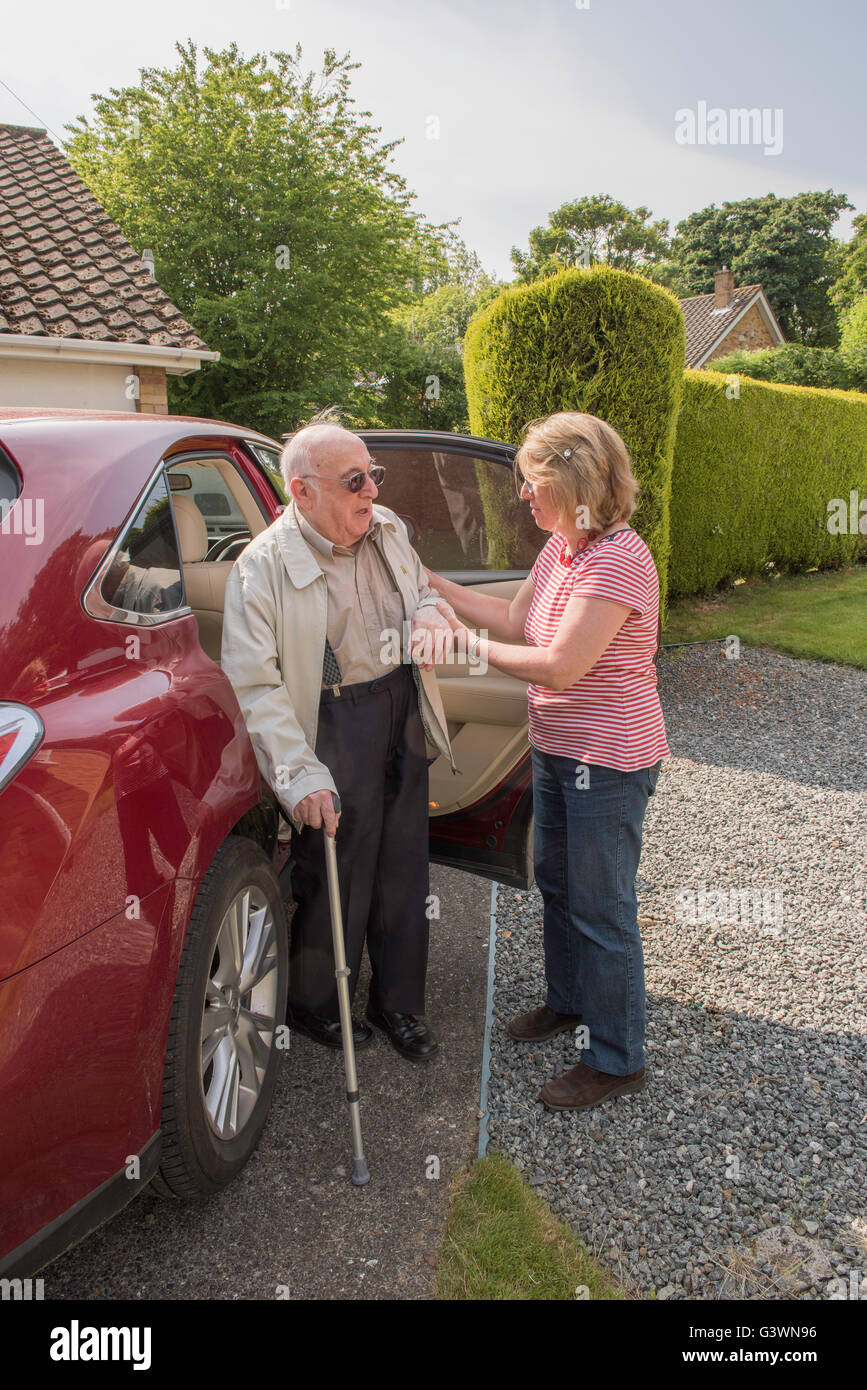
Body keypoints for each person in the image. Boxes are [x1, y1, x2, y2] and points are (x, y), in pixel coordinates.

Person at [425, 411, 669, 1110]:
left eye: (533, 484)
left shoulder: (618, 558)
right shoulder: (562, 549)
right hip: (558, 747)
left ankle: (617, 1056)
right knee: (559, 886)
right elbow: (511, 622)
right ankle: (568, 1001)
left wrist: (457, 646)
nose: (523, 497)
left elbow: (559, 666)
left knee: (602, 907)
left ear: (574, 481)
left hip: (610, 756)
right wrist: (430, 584)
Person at [221, 421, 456, 1062]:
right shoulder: (261, 567)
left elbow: (423, 591)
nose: (371, 490)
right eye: (355, 481)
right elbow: (256, 683)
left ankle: (398, 1004)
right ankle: (317, 1004)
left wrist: (431, 615)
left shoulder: (389, 530)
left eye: (372, 474)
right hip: (330, 720)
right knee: (336, 868)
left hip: (398, 701)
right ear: (302, 490)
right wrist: (297, 773)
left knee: (404, 863)